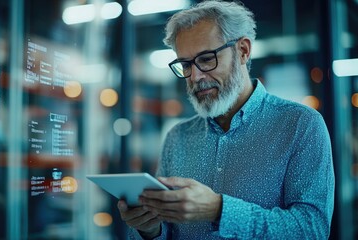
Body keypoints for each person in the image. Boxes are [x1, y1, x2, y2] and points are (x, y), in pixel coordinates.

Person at [117, 0, 335, 239]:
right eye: (185, 65)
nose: (196, 76)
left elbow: (312, 230)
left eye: (207, 59)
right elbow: (168, 231)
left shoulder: (300, 125)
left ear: (242, 51)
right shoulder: (177, 137)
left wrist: (219, 210)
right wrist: (149, 229)